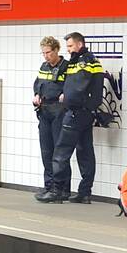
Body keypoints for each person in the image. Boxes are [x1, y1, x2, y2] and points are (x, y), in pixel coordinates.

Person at [38, 32, 104, 204]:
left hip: (74, 113)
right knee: (85, 152)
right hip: (87, 113)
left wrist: (66, 98)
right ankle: (85, 192)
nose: (68, 50)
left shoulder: (82, 63)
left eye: (70, 46)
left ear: (80, 44)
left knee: (61, 152)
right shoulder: (94, 62)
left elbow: (76, 88)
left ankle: (57, 191)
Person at [33, 36, 69, 199]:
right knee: (46, 151)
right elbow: (38, 84)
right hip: (44, 110)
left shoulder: (67, 67)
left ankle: (60, 189)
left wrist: (65, 95)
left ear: (56, 50)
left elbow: (72, 86)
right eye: (43, 53)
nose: (46, 56)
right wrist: (36, 95)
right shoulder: (44, 67)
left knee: (59, 152)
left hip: (59, 111)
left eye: (48, 52)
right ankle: (49, 186)